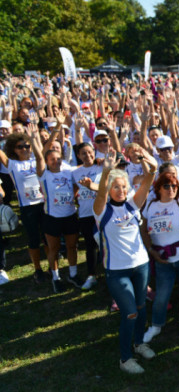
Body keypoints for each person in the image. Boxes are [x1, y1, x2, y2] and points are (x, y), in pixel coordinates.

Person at [94, 149, 157, 374]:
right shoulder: (102, 210)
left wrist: (151, 164)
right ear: (109, 189)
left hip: (141, 264)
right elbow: (100, 194)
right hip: (116, 271)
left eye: (123, 186)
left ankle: (139, 343)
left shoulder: (132, 204)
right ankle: (125, 358)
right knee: (129, 311)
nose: (121, 191)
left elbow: (149, 179)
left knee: (140, 307)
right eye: (116, 187)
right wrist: (106, 172)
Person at [141, 148, 179, 344]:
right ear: (158, 187)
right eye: (166, 186)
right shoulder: (150, 206)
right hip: (162, 259)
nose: (171, 189)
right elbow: (144, 231)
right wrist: (151, 250)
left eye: (174, 186)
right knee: (161, 296)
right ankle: (156, 326)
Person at [0, 127, 48, 283]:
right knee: (33, 239)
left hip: (43, 204)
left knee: (48, 238)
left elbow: (45, 149)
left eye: (27, 146)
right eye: (20, 147)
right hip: (27, 207)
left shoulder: (37, 159)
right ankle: (38, 269)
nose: (25, 149)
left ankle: (53, 268)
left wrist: (35, 138)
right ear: (14, 149)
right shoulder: (12, 164)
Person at [35, 131, 81, 293]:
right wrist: (54, 131)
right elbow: (40, 156)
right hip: (52, 218)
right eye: (52, 159)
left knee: (72, 246)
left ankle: (73, 275)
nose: (56, 161)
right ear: (47, 161)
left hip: (70, 215)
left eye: (58, 158)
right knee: (53, 249)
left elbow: (79, 178)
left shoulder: (68, 170)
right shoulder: (44, 174)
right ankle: (56, 277)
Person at [72, 142, 102, 290]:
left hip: (102, 212)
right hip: (85, 213)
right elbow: (73, 188)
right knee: (90, 245)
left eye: (90, 152)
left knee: (105, 244)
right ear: (78, 156)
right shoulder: (76, 172)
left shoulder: (101, 167)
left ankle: (109, 271)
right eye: (83, 153)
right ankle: (92, 276)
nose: (88, 155)